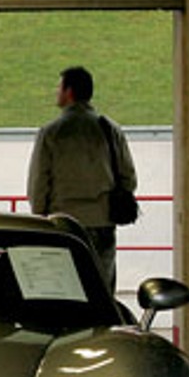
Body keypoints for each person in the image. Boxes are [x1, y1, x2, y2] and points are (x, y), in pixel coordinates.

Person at [27, 65, 138, 294]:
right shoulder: (110, 129)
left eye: (59, 87)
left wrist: (40, 215)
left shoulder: (51, 132)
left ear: (69, 92)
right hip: (103, 222)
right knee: (101, 290)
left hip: (64, 223)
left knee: (67, 291)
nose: (56, 92)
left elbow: (39, 182)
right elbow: (129, 178)